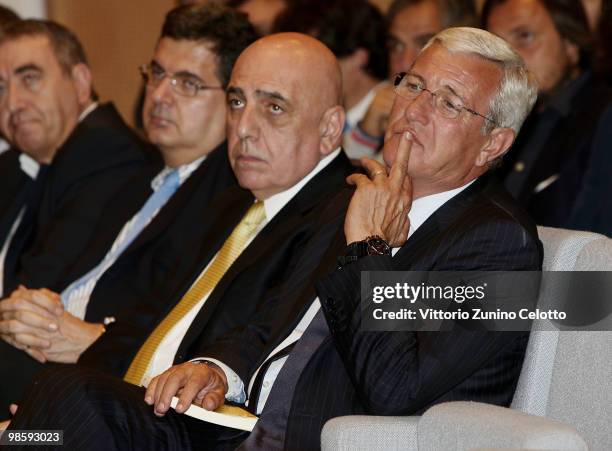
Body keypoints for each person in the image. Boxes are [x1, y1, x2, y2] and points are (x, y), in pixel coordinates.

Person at [5, 27, 543, 450]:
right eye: (414, 85)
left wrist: (366, 250)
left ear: (494, 142)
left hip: (314, 438)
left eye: (449, 103)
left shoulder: (499, 244)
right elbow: (269, 319)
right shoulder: (356, 193)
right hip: (230, 425)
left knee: (57, 412)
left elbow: (395, 386)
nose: (416, 109)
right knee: (51, 406)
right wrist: (219, 369)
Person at [0, 4, 257, 417]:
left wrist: (93, 337)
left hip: (101, 386)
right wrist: (33, 311)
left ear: (234, 98)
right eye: (156, 74)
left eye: (187, 83)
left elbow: (192, 332)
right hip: (41, 353)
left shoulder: (231, 202)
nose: (159, 95)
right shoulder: (132, 179)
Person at [0, 20, 151, 297]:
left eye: (29, 79)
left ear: (81, 82)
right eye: (1, 88)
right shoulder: (14, 165)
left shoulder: (107, 152)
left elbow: (38, 290)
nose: (12, 103)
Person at [484, 0, 612, 233]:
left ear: (571, 43)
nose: (507, 59)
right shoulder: (501, 120)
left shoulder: (602, 116)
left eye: (524, 36)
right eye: (497, 45)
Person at [353, 0, 478, 160]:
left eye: (424, 44)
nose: (404, 63)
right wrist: (366, 135)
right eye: (396, 45)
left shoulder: (467, 119)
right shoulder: (382, 101)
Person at [273, 0, 389, 160]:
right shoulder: (313, 114)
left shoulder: (397, 116)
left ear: (357, 56)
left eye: (308, 60)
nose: (294, 73)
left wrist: (365, 137)